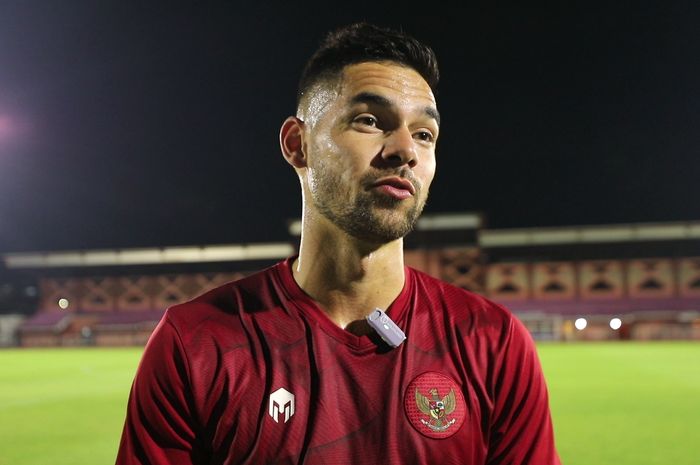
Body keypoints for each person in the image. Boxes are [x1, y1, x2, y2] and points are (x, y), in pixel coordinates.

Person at [116, 22, 561, 465]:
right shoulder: (196, 343)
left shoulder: (493, 343)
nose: (405, 149)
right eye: (370, 120)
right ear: (298, 144)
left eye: (424, 134)